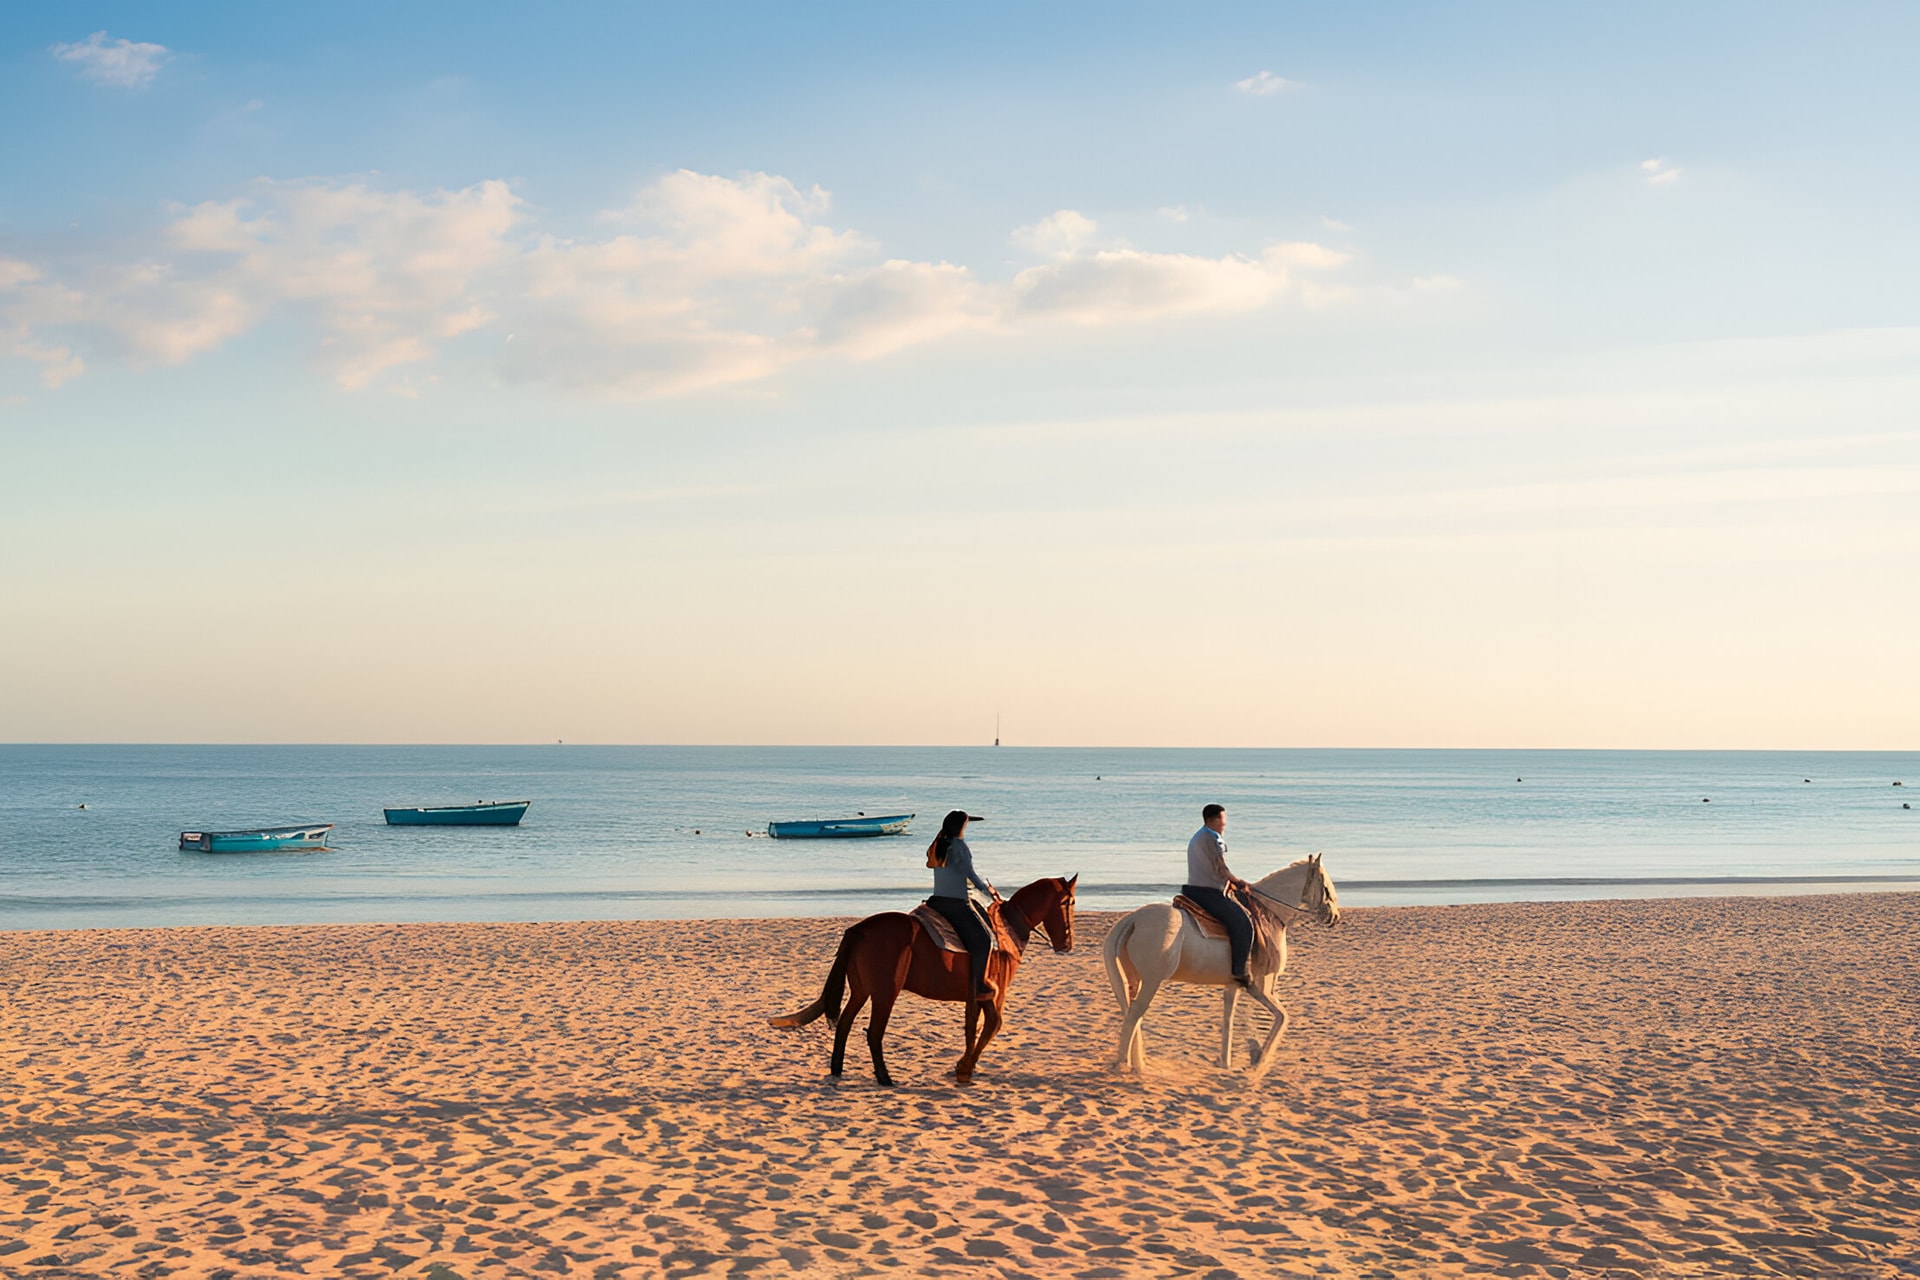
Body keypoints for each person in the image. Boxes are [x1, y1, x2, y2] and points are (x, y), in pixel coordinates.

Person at [925, 809, 1000, 1002]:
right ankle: (980, 984)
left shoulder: (938, 844)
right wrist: (989, 893)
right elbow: (971, 876)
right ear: (961, 827)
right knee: (984, 941)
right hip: (955, 903)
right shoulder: (960, 847)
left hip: (936, 901)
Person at [1183, 803, 1255, 988]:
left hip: (1198, 888)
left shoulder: (1201, 836)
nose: (1225, 823)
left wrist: (1229, 882)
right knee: (1243, 923)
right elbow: (1221, 867)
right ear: (1211, 820)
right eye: (1222, 819)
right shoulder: (1210, 837)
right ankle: (1239, 971)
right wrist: (1238, 881)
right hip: (1207, 892)